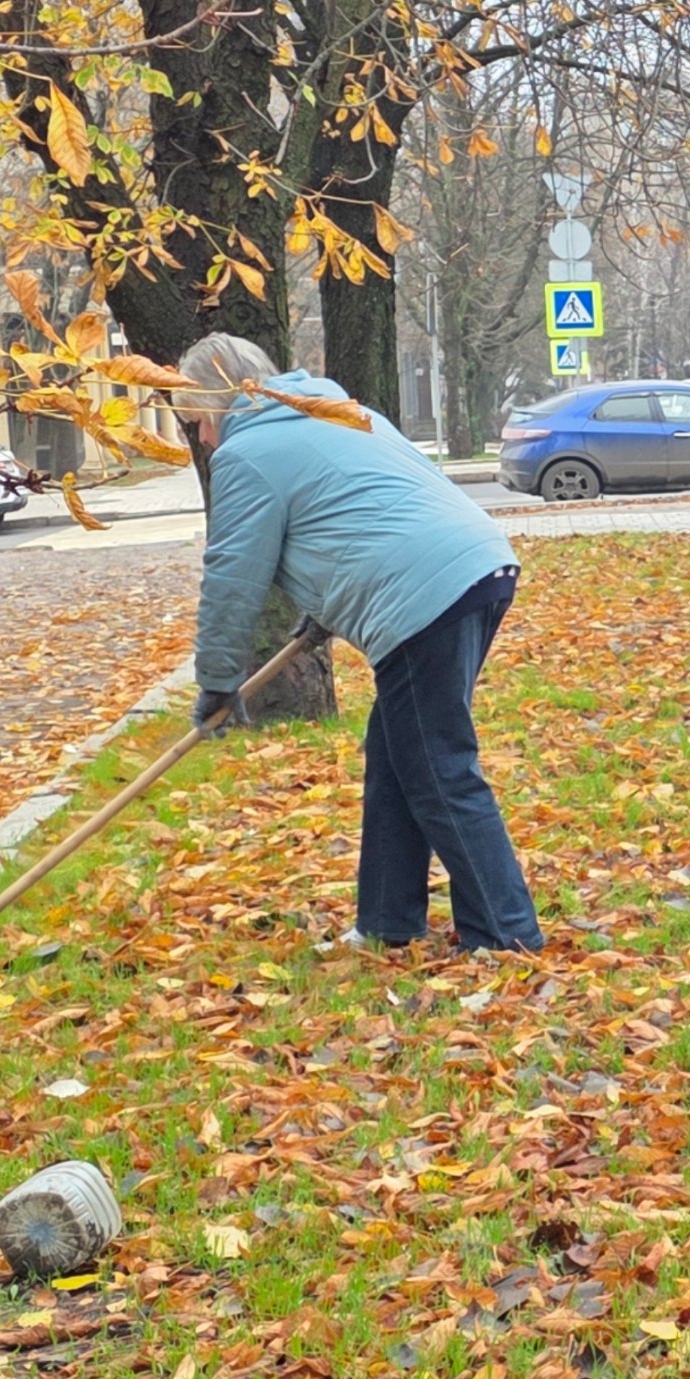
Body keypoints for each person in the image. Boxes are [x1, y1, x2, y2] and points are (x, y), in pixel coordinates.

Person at [181, 334, 543, 954]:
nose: (203, 441)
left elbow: (233, 575)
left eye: (198, 425)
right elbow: (368, 509)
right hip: (480, 569)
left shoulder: (249, 455)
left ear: (218, 405)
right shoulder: (343, 410)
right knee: (399, 758)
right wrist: (320, 615)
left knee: (437, 768)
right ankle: (387, 922)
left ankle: (506, 934)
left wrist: (217, 677)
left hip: (423, 595)